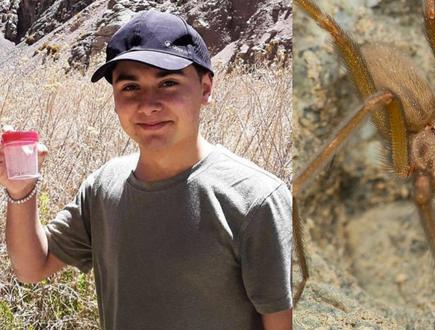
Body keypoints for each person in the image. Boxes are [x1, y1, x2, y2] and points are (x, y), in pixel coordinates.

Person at [1, 10, 292, 330]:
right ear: (114, 98)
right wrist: (21, 191)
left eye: (168, 83)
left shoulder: (256, 198)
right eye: (130, 88)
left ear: (205, 88)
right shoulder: (103, 187)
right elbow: (32, 267)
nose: (148, 104)